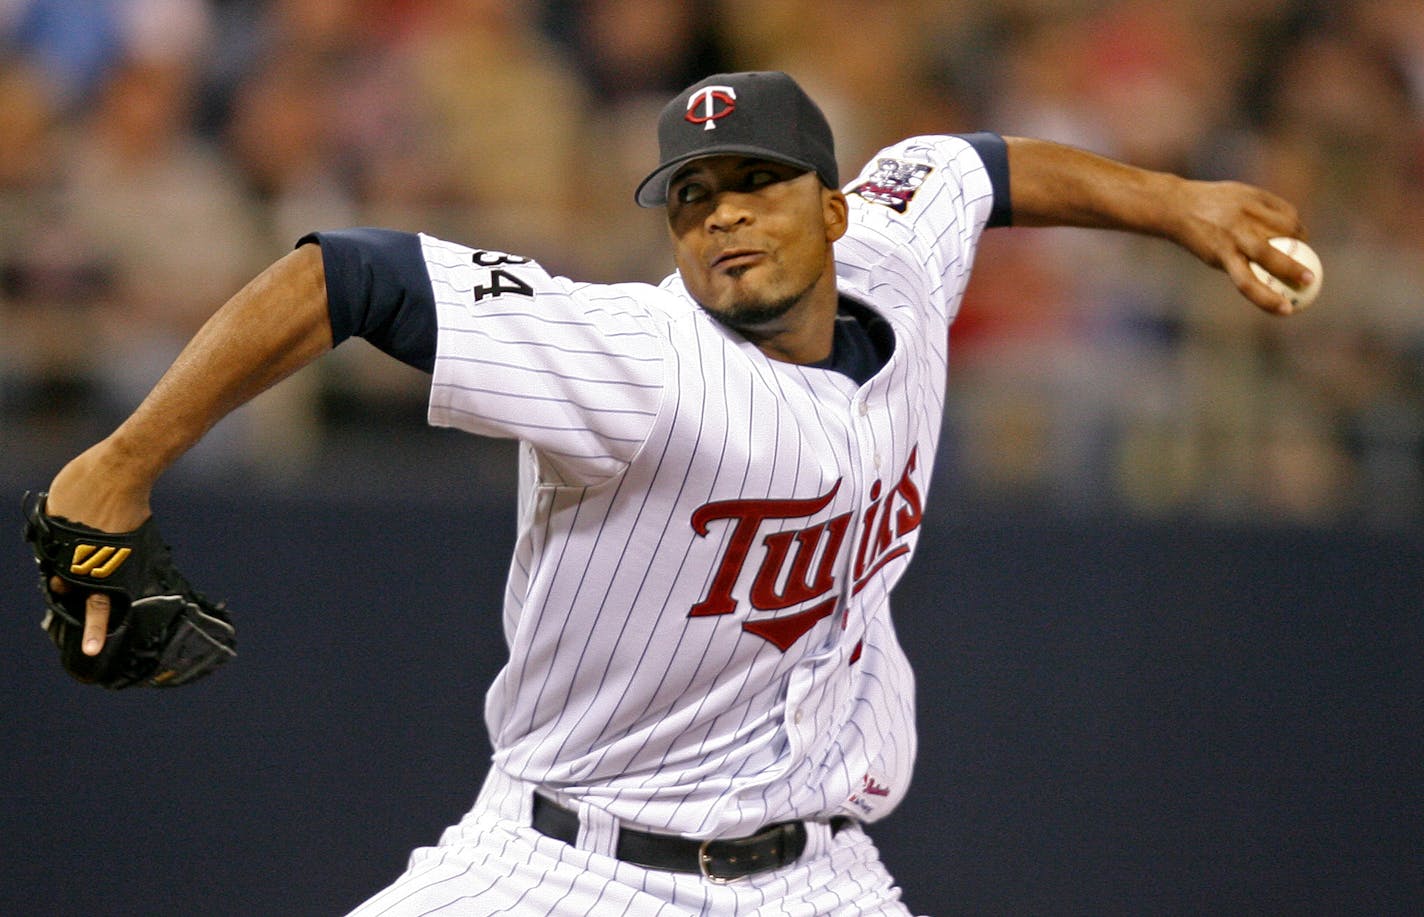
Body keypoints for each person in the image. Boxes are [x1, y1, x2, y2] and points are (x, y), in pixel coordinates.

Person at [36, 71, 1312, 915]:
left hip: (814, 875)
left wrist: (1173, 202)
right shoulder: (635, 357)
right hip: (552, 865)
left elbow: (970, 165)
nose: (721, 218)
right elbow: (347, 273)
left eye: (753, 182)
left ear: (831, 205)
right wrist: (114, 467)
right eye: (690, 198)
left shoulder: (897, 253)